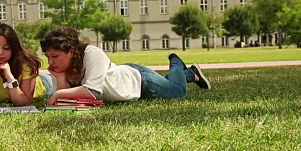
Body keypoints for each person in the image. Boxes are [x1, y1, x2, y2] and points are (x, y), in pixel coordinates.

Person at [39, 26, 210, 105]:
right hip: (127, 84)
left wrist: (59, 93)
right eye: (48, 57)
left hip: (140, 81)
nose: (50, 62)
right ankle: (192, 74)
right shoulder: (60, 69)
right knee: (168, 85)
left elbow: (92, 92)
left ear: (70, 51)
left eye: (55, 56)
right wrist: (60, 78)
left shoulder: (92, 53)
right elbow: (62, 101)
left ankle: (177, 64)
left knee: (177, 92)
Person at [0, 22, 53, 111]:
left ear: (13, 48)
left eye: (6, 48)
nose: (0, 53)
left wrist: (9, 77)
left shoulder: (26, 63)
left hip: (45, 85)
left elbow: (24, 103)